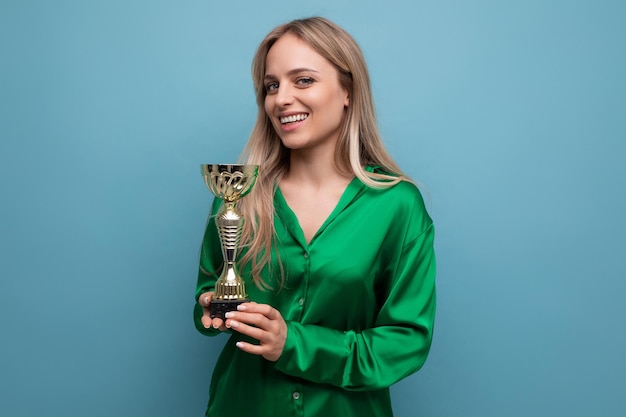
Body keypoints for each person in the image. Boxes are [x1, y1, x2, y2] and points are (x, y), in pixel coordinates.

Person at [194, 16, 436, 417]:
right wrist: (210, 309)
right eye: (272, 86)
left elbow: (405, 341)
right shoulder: (239, 195)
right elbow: (208, 296)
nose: (281, 99)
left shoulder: (397, 205)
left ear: (347, 90)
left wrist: (293, 343)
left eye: (302, 80)